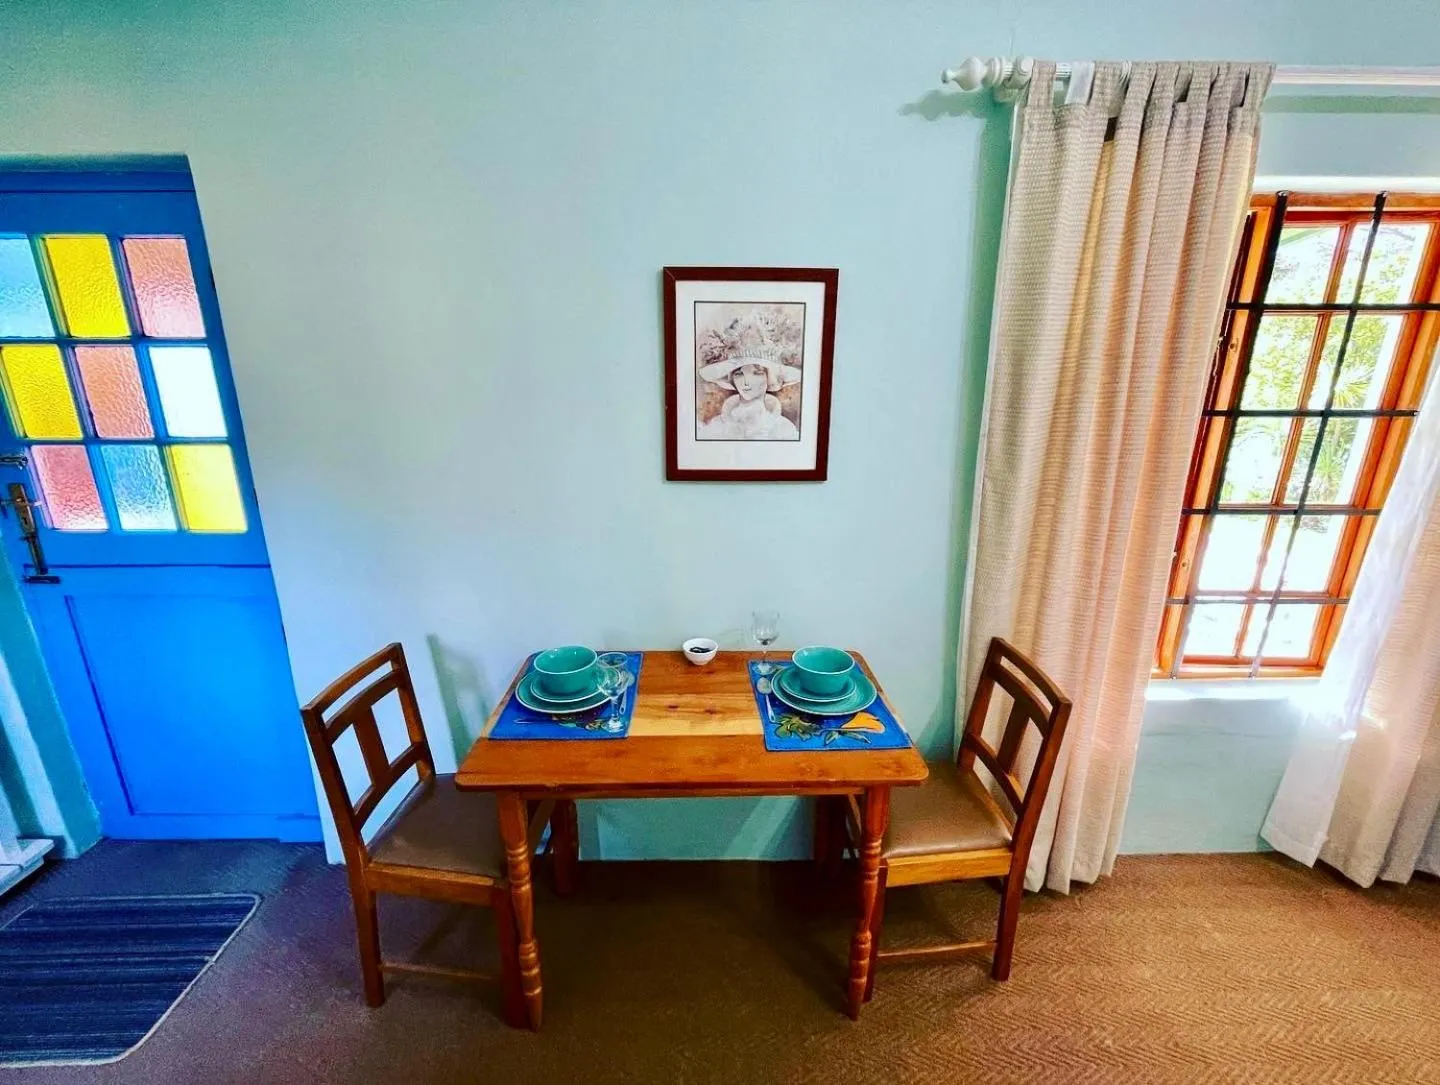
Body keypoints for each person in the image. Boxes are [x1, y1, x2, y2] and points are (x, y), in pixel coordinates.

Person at [696, 346, 802, 440]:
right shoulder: (717, 426)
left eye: (757, 373)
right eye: (739, 374)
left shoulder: (783, 428)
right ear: (731, 378)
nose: (746, 382)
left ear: (770, 378)